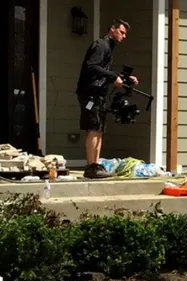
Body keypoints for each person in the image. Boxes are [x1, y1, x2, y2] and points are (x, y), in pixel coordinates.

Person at [74, 19, 137, 179]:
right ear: (112, 29)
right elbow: (92, 66)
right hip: (90, 93)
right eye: (121, 32)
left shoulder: (109, 47)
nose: (124, 36)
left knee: (99, 129)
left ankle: (96, 165)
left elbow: (103, 71)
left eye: (125, 34)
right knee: (94, 127)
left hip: (99, 94)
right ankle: (91, 167)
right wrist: (113, 76)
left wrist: (126, 78)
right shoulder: (101, 45)